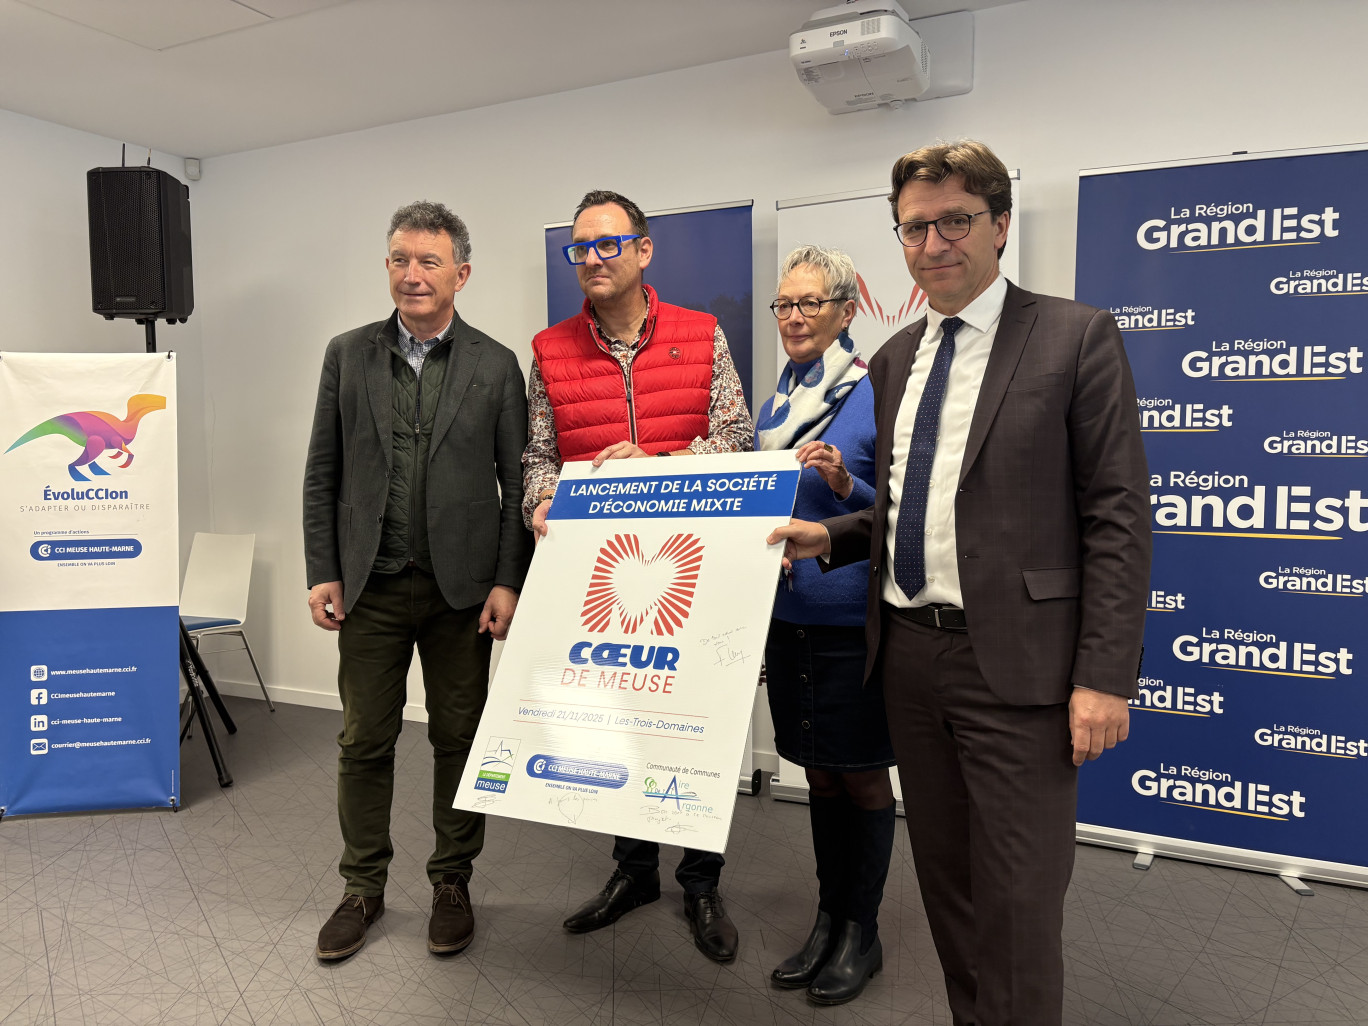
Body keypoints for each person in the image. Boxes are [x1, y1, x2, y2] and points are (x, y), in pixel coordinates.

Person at [769, 141, 1151, 1026]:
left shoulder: (1074, 335)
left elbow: (1119, 519)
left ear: (1000, 226)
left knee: (1017, 906)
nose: (934, 242)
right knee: (948, 890)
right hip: (907, 660)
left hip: (1017, 670)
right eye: (915, 227)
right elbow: (913, 506)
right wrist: (832, 534)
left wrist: (1102, 675)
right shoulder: (896, 359)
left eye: (955, 221)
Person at [522, 189, 753, 962]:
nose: (591, 258)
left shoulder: (701, 332)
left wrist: (655, 460)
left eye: (608, 244)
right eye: (579, 247)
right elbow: (537, 457)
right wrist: (539, 506)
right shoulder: (550, 349)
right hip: (602, 577)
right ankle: (633, 872)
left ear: (644, 250)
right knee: (620, 723)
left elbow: (736, 437)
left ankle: (701, 882)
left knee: (698, 725)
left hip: (696, 566)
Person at [303, 200, 532, 962]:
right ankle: (362, 887)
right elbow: (323, 474)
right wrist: (322, 570)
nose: (411, 274)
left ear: (460, 273)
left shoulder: (497, 364)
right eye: (400, 259)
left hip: (460, 594)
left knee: (459, 739)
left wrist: (507, 581)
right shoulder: (347, 353)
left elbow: (515, 482)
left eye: (428, 261)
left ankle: (451, 881)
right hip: (368, 588)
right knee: (364, 740)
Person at [756, 245, 896, 1005]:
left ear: (847, 310)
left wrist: (847, 481)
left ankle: (861, 931)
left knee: (863, 776)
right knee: (816, 772)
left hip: (850, 621)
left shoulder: (876, 390)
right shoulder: (778, 400)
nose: (794, 317)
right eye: (784, 304)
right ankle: (827, 918)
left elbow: (899, 506)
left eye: (811, 303)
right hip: (789, 618)